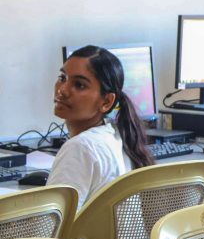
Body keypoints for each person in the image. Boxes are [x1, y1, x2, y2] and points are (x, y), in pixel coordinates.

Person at [47, 45, 153, 209]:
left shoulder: (80, 147)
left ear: (106, 102)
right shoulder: (115, 135)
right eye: (62, 78)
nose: (62, 90)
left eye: (79, 85)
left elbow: (51, 227)